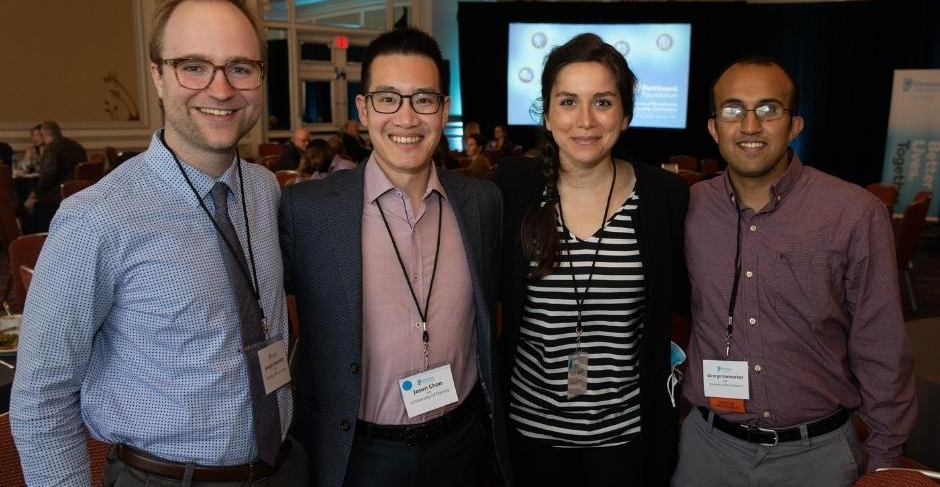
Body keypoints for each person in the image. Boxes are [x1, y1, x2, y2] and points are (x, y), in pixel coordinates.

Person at [10, 0, 306, 485]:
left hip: (283, 468)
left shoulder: (263, 190)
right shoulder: (96, 219)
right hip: (166, 478)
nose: (221, 88)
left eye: (241, 67)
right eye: (193, 65)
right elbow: (42, 403)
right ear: (158, 77)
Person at [280, 26, 511, 487]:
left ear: (443, 110)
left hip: (462, 445)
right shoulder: (307, 211)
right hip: (357, 455)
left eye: (423, 99)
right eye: (388, 99)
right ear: (363, 109)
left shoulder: (483, 203)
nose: (406, 118)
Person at [671, 56, 916, 487]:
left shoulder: (853, 214)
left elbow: (882, 344)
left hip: (817, 458)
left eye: (769, 109)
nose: (750, 125)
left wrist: (885, 457)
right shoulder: (687, 208)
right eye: (733, 110)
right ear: (714, 128)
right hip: (707, 452)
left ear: (795, 125)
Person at [494, 33, 689, 487]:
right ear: (546, 112)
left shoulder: (664, 197)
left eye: (602, 102)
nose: (584, 120)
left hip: (626, 438)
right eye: (568, 102)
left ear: (626, 114)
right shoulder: (512, 189)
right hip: (530, 433)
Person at [23, 120, 87, 233]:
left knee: (26, 205)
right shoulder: (77, 146)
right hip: (80, 194)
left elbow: (47, 176)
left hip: (57, 197)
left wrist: (35, 194)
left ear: (43, 135)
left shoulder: (52, 149)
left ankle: (34, 242)